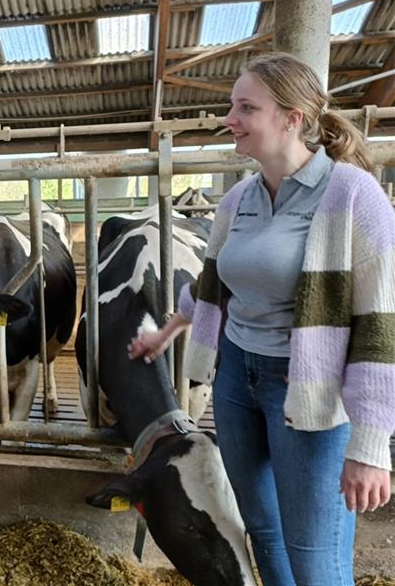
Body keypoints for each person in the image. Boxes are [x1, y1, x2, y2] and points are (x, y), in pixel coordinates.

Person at [129, 52, 393, 585]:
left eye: (246, 107)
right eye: (232, 106)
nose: (231, 119)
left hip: (310, 394)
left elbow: (379, 328)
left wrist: (371, 445)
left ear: (292, 118)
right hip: (235, 383)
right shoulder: (240, 198)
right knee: (264, 532)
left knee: (314, 555)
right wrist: (170, 329)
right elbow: (214, 285)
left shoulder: (351, 195)